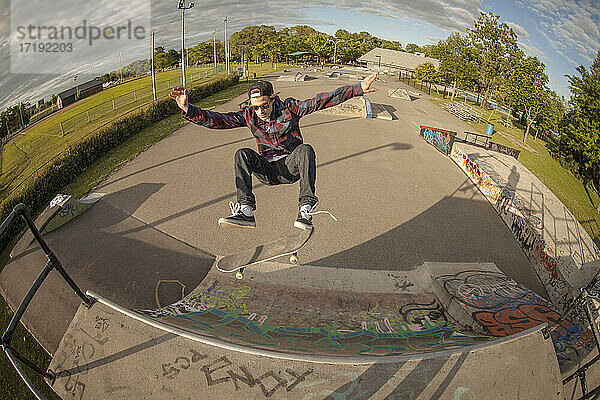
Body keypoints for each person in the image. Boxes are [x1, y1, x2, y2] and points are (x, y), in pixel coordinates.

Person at [170, 72, 377, 230]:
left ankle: (305, 210)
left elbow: (322, 101)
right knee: (242, 153)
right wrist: (189, 109)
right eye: (256, 107)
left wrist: (358, 88)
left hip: (290, 167)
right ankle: (246, 211)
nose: (261, 111)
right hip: (267, 171)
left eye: (264, 105)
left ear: (273, 99)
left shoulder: (290, 108)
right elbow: (219, 120)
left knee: (305, 150)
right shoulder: (249, 115)